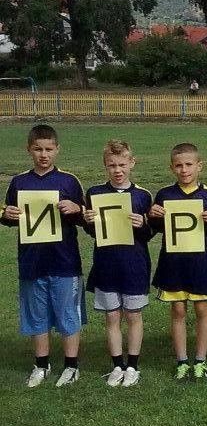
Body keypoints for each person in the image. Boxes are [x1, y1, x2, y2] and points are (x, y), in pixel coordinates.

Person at [2, 124, 86, 387]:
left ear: (57, 150)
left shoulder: (69, 181)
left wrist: (76, 208)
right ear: (29, 150)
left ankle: (71, 366)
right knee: (36, 314)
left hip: (64, 261)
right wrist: (6, 215)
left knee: (67, 313)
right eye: (38, 149)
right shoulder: (19, 182)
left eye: (49, 149)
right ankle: (41, 364)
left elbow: (86, 217)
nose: (43, 154)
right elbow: (10, 215)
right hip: (32, 261)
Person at [149, 143, 207, 381]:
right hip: (174, 264)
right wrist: (153, 216)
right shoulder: (164, 195)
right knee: (178, 309)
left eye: (189, 165)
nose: (184, 170)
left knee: (202, 308)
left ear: (199, 166)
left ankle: (200, 360)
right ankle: (182, 360)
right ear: (172, 167)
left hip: (201, 263)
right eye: (179, 165)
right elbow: (156, 229)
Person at [82, 140, 154, 387]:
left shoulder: (143, 195)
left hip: (134, 265)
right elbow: (93, 232)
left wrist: (142, 224)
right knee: (112, 316)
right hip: (106, 265)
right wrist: (88, 220)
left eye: (122, 164)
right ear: (105, 166)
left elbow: (150, 233)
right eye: (112, 165)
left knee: (133, 315)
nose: (117, 170)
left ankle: (132, 366)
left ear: (132, 163)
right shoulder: (95, 193)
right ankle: (117, 366)